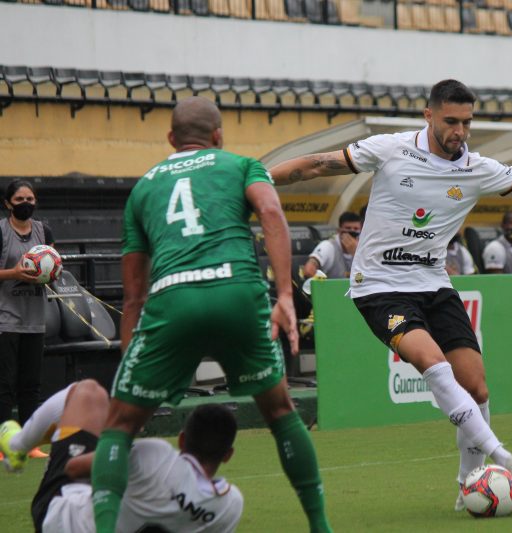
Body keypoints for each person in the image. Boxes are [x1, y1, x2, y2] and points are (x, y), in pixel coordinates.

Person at [268, 79, 512, 511]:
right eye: (451, 121)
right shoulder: (390, 148)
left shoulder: (477, 168)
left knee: (477, 386)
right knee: (432, 362)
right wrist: (257, 180)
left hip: (434, 284)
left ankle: (464, 487)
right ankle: (502, 457)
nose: (459, 131)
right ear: (429, 116)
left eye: (466, 122)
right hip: (379, 287)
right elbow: (316, 166)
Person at [90, 97, 332, 533]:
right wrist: (283, 295)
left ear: (170, 139)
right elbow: (272, 212)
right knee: (281, 411)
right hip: (237, 292)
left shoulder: (144, 188)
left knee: (119, 426)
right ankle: (320, 526)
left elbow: (132, 296)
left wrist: (133, 361)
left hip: (171, 300)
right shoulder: (241, 165)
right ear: (218, 136)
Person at [0, 379, 242, 532]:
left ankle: (17, 446)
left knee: (89, 393)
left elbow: (75, 468)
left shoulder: (158, 456)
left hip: (63, 522)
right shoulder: (230, 505)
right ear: (228, 455)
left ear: (182, 439)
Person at [0, 179, 54, 462]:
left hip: (35, 318)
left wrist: (52, 271)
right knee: (4, 385)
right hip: (5, 319)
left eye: (30, 199)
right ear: (8, 203)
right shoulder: (1, 230)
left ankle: (30, 443)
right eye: (19, 199)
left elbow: (52, 263)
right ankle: (1, 445)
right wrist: (15, 274)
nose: (26, 204)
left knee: (30, 384)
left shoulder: (44, 230)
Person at [303, 211, 361, 279]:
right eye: (348, 228)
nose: (352, 232)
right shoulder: (328, 246)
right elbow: (308, 270)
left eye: (356, 229)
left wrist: (357, 254)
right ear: (339, 230)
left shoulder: (363, 249)